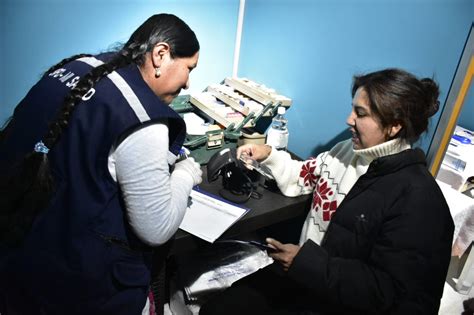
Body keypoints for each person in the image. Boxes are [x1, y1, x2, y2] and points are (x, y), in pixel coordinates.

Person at [199, 68, 455, 315]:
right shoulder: (346, 152)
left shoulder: (418, 199)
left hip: (334, 300)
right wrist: (268, 155)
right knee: (218, 308)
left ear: (394, 125)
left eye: (360, 113)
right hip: (303, 277)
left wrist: (308, 264)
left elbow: (395, 295)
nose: (348, 120)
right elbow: (302, 177)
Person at [0, 13, 202, 314]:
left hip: (22, 264)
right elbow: (156, 228)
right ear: (160, 54)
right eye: (188, 68)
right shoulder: (143, 120)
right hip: (82, 290)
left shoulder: (74, 69)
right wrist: (185, 175)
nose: (187, 83)